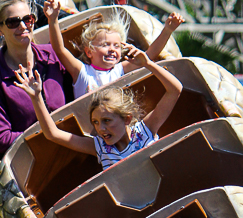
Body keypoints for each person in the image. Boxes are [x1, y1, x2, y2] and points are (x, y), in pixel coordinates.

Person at [13, 48, 182, 169]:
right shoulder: (100, 147)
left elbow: (175, 90)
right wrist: (36, 97)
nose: (100, 128)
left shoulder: (145, 130)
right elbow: (53, 134)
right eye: (95, 122)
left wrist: (148, 63)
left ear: (127, 119)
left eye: (107, 121)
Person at [0, 0, 72, 156]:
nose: (23, 26)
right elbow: (1, 139)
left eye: (28, 19)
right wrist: (49, 134)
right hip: (34, 156)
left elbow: (81, 85)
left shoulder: (51, 54)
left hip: (73, 140)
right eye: (13, 22)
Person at [44, 0, 184, 99]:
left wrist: (167, 30)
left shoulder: (119, 70)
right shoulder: (82, 72)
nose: (112, 49)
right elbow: (59, 49)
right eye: (105, 45)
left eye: (116, 46)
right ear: (89, 51)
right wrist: (53, 20)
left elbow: (150, 54)